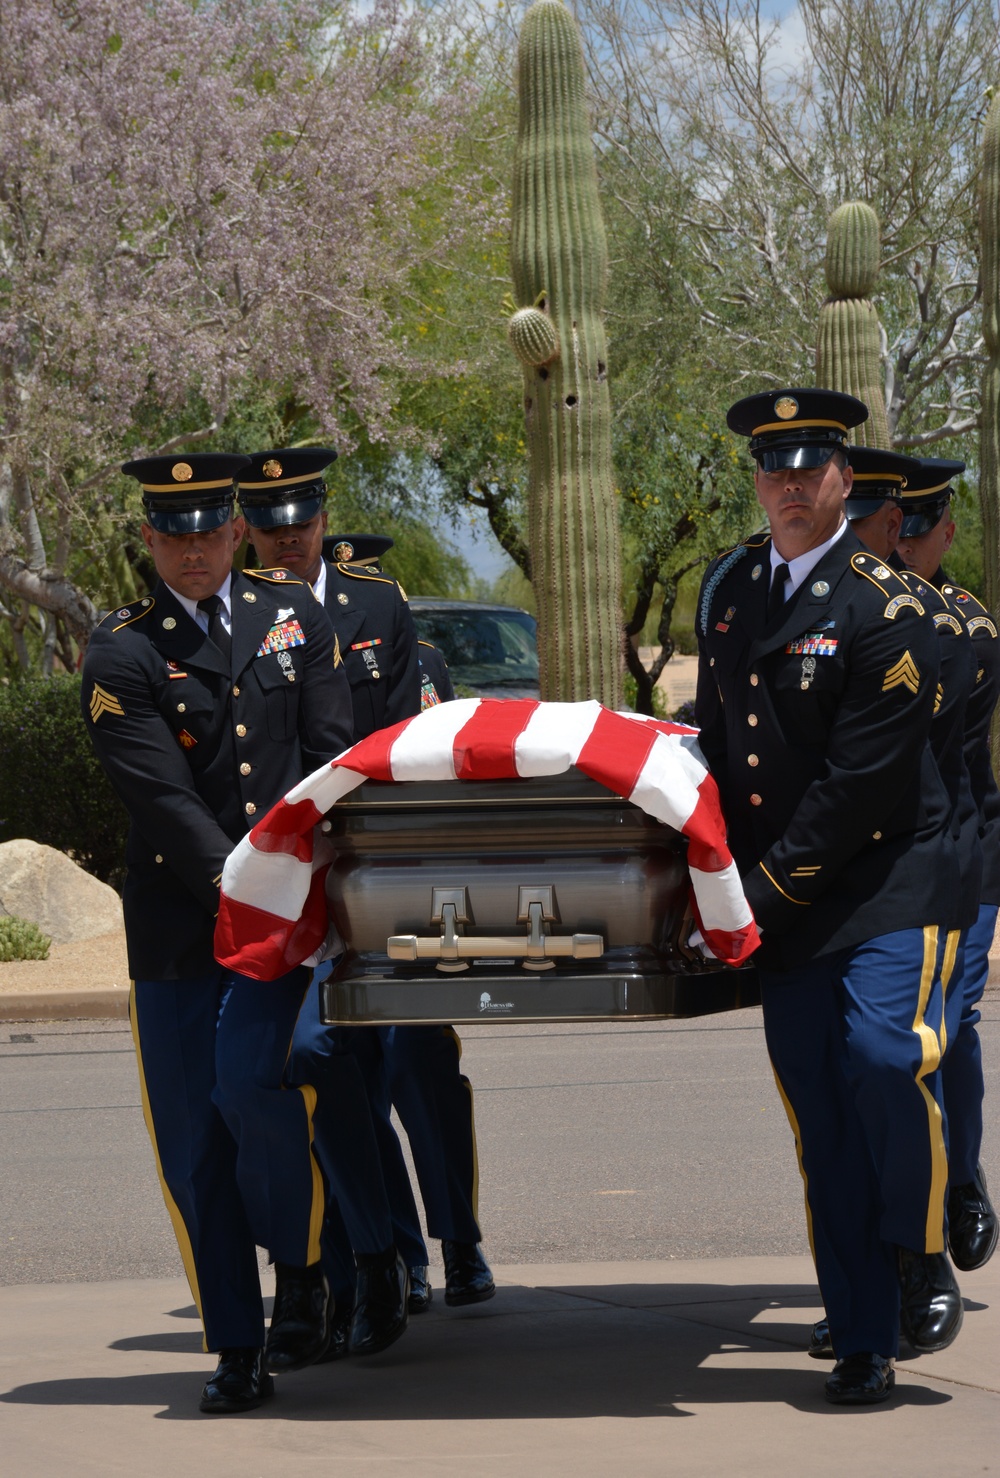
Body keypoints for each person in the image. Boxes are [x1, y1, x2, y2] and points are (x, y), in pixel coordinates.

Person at [695, 390, 964, 1405]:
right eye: (774, 468)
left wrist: (750, 896)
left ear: (845, 480)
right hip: (784, 894)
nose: (791, 486)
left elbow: (860, 785)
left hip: (884, 878)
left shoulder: (883, 604)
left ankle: (918, 1243)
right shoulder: (730, 593)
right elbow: (721, 748)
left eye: (811, 467)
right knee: (822, 1115)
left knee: (882, 1055)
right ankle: (860, 1333)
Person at [81, 452, 354, 1413]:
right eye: (174, 534)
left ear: (237, 532)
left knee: (261, 1096)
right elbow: (163, 801)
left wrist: (300, 892)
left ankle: (306, 1265)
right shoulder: (119, 652)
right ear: (149, 541)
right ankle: (236, 1344)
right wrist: (251, 894)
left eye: (210, 531)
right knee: (194, 1143)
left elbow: (328, 760)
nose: (193, 550)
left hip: (283, 920)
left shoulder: (294, 618)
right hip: (181, 931)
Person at [241, 451, 495, 1348]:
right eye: (269, 525)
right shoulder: (241, 618)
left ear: (320, 516)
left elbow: (407, 744)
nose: (286, 536)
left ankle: (452, 1243)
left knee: (417, 1069)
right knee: (317, 1062)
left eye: (299, 519)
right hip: (290, 882)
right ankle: (373, 1257)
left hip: (382, 874)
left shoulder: (375, 609)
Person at [898, 459, 1000, 1272]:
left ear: (945, 535)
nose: (902, 544)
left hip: (963, 855)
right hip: (901, 859)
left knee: (947, 1028)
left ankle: (958, 1178)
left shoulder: (961, 626)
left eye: (916, 531)